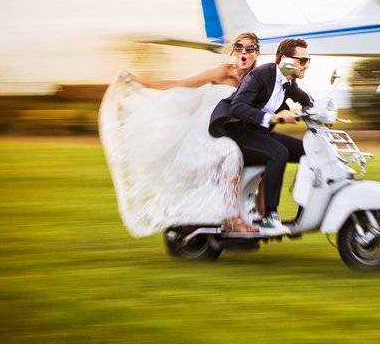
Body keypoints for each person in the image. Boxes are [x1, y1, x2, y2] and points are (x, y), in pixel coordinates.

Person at [99, 32, 262, 236]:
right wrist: (142, 83)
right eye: (239, 47)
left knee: (261, 156)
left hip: (225, 133)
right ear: (234, 51)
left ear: (257, 53)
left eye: (249, 49)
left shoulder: (258, 81)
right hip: (202, 133)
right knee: (232, 154)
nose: (243, 52)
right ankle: (231, 218)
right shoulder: (222, 73)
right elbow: (182, 84)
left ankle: (257, 213)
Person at [209, 38, 314, 236]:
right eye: (302, 60)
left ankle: (306, 209)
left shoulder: (289, 82)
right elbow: (238, 107)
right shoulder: (259, 76)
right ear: (284, 60)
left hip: (257, 134)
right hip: (238, 134)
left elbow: (307, 100)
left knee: (306, 151)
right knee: (278, 152)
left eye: (308, 61)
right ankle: (269, 217)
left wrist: (322, 113)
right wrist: (275, 117)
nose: (306, 65)